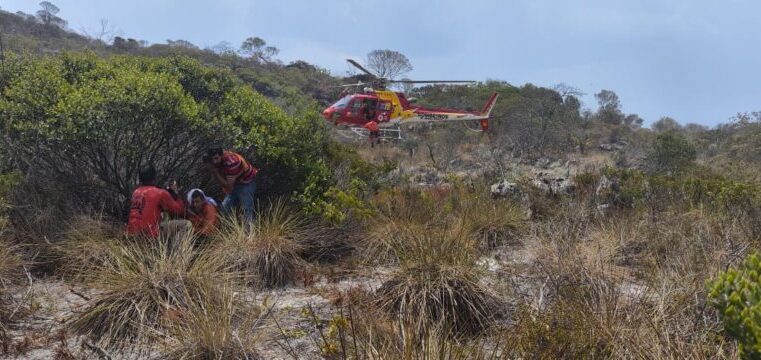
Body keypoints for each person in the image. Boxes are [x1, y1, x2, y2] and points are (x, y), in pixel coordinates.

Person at [126, 164, 189, 241]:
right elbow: (179, 210)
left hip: (132, 234)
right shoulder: (160, 193)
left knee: (162, 218)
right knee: (186, 224)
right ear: (154, 177)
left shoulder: (136, 192)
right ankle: (175, 252)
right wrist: (176, 193)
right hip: (149, 235)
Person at [205, 147, 258, 223]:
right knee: (225, 208)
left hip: (246, 182)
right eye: (212, 159)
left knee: (247, 209)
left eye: (216, 158)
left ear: (221, 155)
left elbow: (228, 186)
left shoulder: (232, 163)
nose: (214, 161)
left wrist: (215, 172)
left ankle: (250, 232)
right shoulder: (218, 161)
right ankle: (229, 229)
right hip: (236, 183)